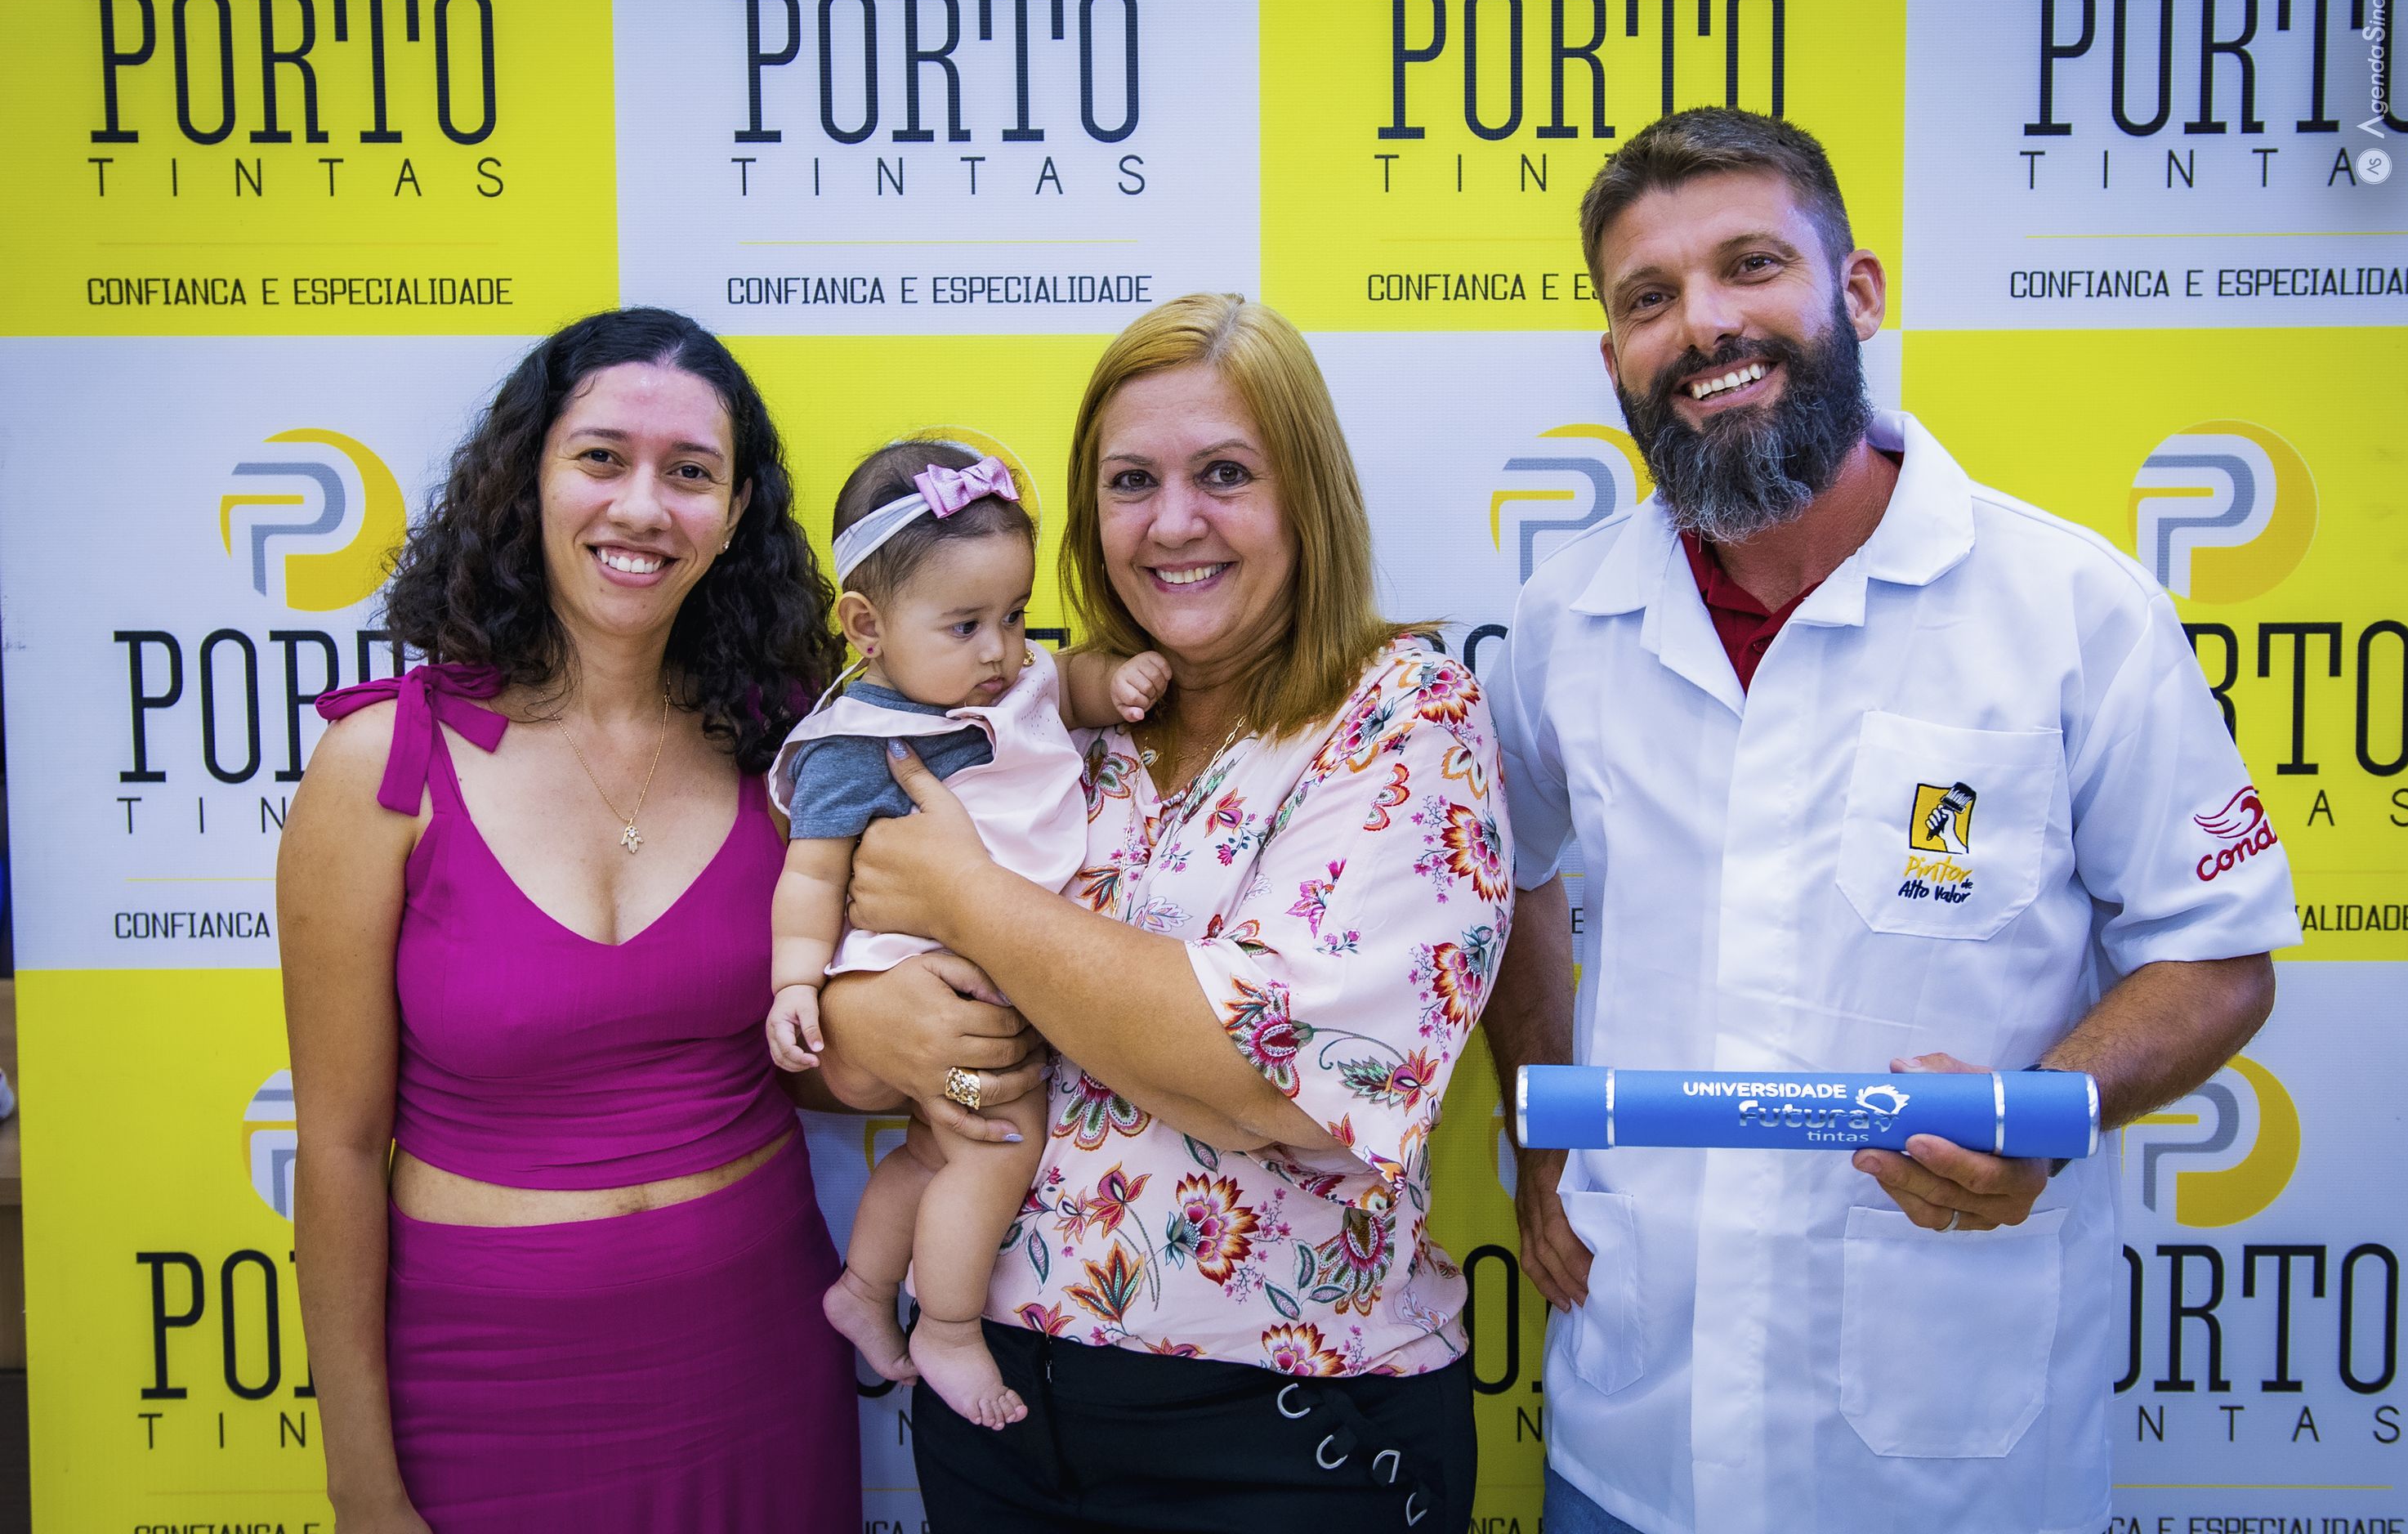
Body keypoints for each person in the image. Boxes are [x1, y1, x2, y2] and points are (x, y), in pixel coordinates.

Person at [1483, 109, 2300, 1534]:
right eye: (1649, 298)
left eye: (1751, 266)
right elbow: (1507, 876)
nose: (1705, 325)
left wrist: (2045, 1115)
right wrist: (1543, 1131)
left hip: (1950, 1462)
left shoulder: (2071, 610)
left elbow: (2218, 954)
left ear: (1857, 293)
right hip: (1634, 1441)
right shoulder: (1566, 623)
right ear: (1614, 358)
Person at [814, 293, 1511, 1532]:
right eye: (1132, 480)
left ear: (1306, 496)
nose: (1173, 522)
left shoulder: (1403, 717)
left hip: (1284, 1431)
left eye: (1225, 474)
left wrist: (969, 901)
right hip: (993, 1404)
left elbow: (1269, 1079)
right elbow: (856, 1041)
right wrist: (876, 1029)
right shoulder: (1032, 712)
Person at [279, 308, 878, 1532]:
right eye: (602, 457)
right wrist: (359, 1483)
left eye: (690, 473)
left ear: (736, 512)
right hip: (486, 1392)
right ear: (530, 476)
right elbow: (338, 1148)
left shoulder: (786, 753)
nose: (643, 507)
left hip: (761, 1367)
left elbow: (829, 1055)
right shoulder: (383, 764)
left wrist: (946, 1064)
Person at [763, 436, 1169, 1429]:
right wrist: (796, 983)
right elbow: (810, 875)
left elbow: (1066, 686)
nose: (1001, 649)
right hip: (932, 983)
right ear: (865, 626)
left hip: (1005, 960)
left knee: (929, 1152)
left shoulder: (1008, 681)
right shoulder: (858, 745)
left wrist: (1116, 682)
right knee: (996, 1142)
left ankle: (863, 1286)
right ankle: (945, 1325)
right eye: (965, 625)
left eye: (1015, 615)